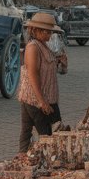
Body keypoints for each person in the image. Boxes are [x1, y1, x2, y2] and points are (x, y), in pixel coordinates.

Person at [18, 11, 66, 152]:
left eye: (50, 32)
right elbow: (33, 74)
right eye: (46, 32)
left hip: (46, 98)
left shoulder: (45, 46)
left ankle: (22, 160)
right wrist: (42, 102)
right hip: (35, 99)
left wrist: (61, 63)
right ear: (36, 30)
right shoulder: (33, 47)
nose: (49, 35)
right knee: (48, 135)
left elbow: (49, 70)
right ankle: (31, 161)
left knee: (26, 131)